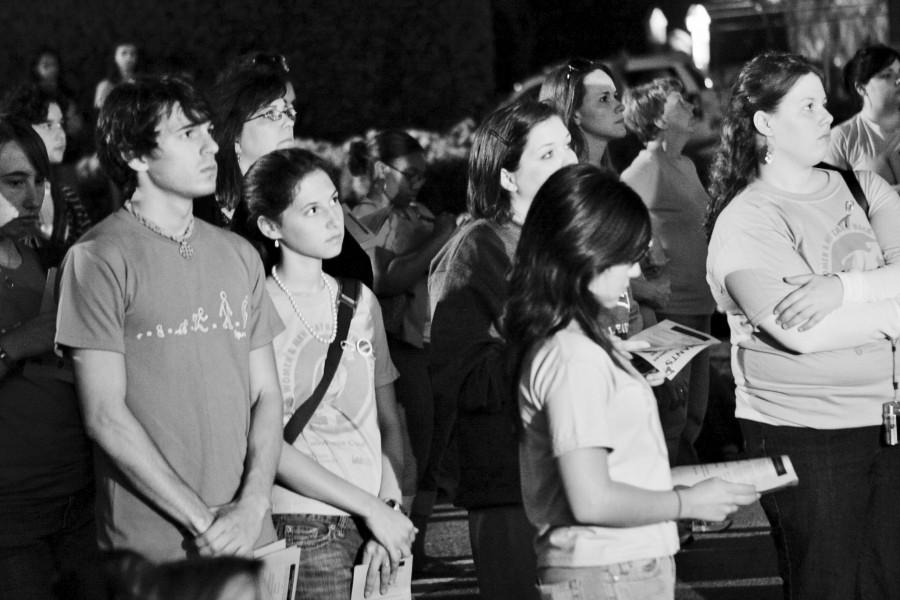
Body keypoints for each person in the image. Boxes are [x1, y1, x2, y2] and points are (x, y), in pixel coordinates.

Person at [55, 75, 284, 562]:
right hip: (156, 548)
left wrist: (252, 506)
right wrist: (205, 523)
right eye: (187, 135)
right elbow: (104, 415)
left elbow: (267, 393)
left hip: (252, 535)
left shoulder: (240, 254)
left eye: (207, 132)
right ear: (135, 155)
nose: (210, 147)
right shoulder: (98, 257)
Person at [506, 164, 757, 600]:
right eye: (626, 256)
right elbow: (592, 498)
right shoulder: (573, 355)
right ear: (583, 250)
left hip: (616, 567)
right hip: (609, 570)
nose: (636, 274)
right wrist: (688, 503)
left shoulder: (579, 343)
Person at [707, 51, 900, 600]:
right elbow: (802, 334)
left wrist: (843, 290)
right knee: (828, 583)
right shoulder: (746, 219)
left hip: (888, 421)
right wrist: (888, 296)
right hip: (807, 433)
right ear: (765, 123)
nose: (825, 116)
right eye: (807, 105)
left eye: (823, 102)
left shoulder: (862, 187)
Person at [240, 147, 415, 599]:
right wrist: (373, 509)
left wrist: (390, 509)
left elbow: (389, 420)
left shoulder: (360, 302)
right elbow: (264, 443)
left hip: (380, 521)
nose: (334, 218)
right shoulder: (256, 307)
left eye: (335, 201)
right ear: (270, 226)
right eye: (313, 209)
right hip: (303, 524)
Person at [429, 99, 576, 599]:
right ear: (509, 177)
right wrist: (556, 354)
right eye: (549, 154)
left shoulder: (565, 240)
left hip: (580, 468)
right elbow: (461, 374)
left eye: (569, 147)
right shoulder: (479, 247)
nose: (570, 162)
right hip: (513, 480)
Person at [0, 118, 103, 599]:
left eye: (39, 180)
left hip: (78, 502)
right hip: (12, 519)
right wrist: (16, 342)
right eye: (15, 181)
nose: (32, 196)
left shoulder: (50, 259)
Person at [348, 130, 457, 565]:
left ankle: (421, 546)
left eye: (421, 176)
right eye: (409, 174)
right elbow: (384, 279)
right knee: (411, 451)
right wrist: (442, 237)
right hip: (397, 346)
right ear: (380, 171)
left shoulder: (418, 212)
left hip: (433, 341)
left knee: (432, 452)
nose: (417, 184)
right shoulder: (363, 217)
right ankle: (403, 547)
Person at [210, 53, 374, 286]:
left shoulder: (304, 191)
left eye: (288, 111)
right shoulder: (202, 210)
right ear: (235, 134)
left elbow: (357, 271)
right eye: (272, 114)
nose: (288, 121)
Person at [620, 78, 716, 466]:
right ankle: (677, 515)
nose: (691, 106)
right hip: (670, 307)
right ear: (658, 119)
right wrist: (644, 277)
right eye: (680, 102)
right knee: (673, 415)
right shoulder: (646, 167)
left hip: (699, 304)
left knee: (694, 413)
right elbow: (618, 223)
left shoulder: (686, 163)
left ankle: (683, 512)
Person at [2, 83, 93, 251]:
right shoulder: (6, 200)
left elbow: (89, 254)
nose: (61, 135)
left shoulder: (68, 199)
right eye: (49, 125)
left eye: (61, 124)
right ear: (23, 129)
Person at [824, 44, 900, 188]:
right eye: (887, 75)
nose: (898, 80)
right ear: (861, 88)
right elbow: (831, 200)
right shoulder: (841, 139)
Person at [538, 58, 626, 170]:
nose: (621, 107)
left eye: (615, 96)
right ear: (574, 114)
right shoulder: (574, 182)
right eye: (604, 99)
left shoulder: (602, 172)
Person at [94, 42, 139, 111]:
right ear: (115, 57)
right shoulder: (105, 86)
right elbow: (100, 111)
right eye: (124, 53)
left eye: (132, 54)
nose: (129, 57)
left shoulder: (140, 83)